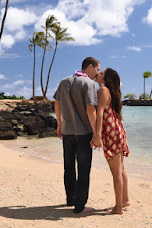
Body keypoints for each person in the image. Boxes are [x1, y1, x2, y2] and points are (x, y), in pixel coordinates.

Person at [53, 57, 101, 213]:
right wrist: (96, 134)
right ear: (89, 67)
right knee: (83, 169)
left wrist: (59, 125)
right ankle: (79, 206)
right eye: (97, 69)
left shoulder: (64, 81)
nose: (97, 73)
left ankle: (70, 199)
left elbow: (57, 103)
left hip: (67, 132)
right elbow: (90, 110)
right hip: (84, 133)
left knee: (69, 168)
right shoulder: (88, 84)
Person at [91, 68, 130, 214]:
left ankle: (118, 207)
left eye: (101, 73)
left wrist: (97, 136)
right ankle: (125, 200)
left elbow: (100, 113)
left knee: (116, 172)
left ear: (106, 79)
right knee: (121, 169)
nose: (98, 74)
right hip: (118, 130)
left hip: (110, 132)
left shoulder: (102, 90)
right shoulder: (113, 93)